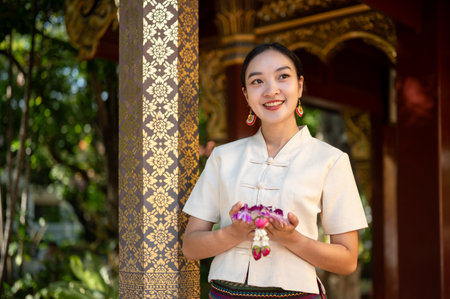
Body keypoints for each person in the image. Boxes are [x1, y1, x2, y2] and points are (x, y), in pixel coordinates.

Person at [182, 43, 368, 298]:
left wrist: (292, 239)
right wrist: (233, 233)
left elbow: (347, 260)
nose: (272, 90)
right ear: (246, 95)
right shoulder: (223, 157)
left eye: (283, 76)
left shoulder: (331, 160)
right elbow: (191, 247)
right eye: (257, 81)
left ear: (300, 86)